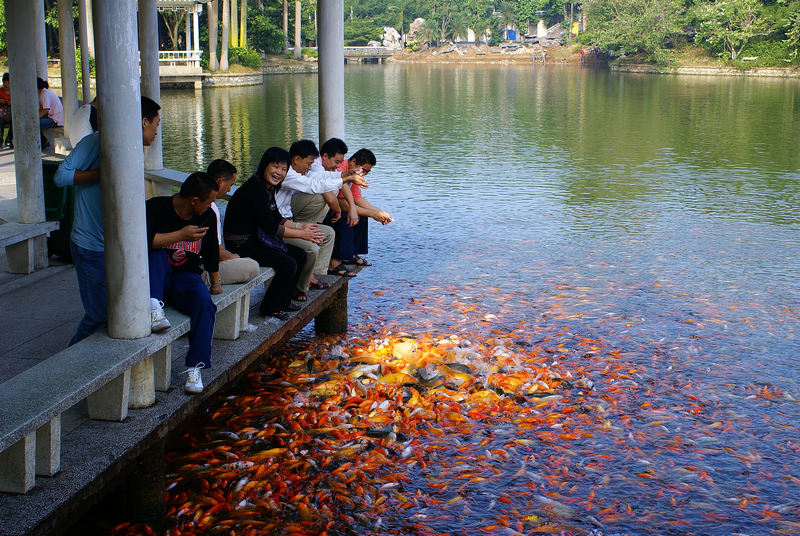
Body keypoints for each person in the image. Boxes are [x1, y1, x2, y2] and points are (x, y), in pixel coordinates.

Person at [55, 96, 167, 345]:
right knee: (99, 315)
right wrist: (102, 172)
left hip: (115, 246)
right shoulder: (96, 142)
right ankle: (70, 368)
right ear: (143, 121)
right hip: (90, 246)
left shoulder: (133, 150)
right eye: (156, 124)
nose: (157, 131)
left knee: (116, 310)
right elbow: (60, 177)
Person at [147, 172, 220, 394]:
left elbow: (210, 251)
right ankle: (153, 308)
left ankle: (194, 368)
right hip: (155, 274)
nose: (210, 207)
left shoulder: (207, 217)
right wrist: (180, 235)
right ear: (194, 200)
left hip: (185, 276)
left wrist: (215, 283)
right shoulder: (156, 208)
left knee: (205, 305)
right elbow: (143, 240)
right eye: (208, 202)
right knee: (156, 254)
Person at [223, 147, 309, 320]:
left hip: (255, 238)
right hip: (241, 243)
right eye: (275, 167)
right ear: (265, 165)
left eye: (284, 169)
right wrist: (301, 235)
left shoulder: (267, 187)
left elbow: (276, 216)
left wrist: (301, 228)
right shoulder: (256, 189)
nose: (279, 172)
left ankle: (284, 300)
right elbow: (270, 227)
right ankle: (270, 307)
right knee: (288, 264)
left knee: (300, 255)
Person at [279, 139, 367, 281]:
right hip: (282, 223)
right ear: (296, 159)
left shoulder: (299, 172)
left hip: (287, 220)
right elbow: (314, 185)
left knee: (329, 233)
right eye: (308, 164)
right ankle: (307, 280)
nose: (310, 167)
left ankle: (319, 275)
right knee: (312, 246)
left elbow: (319, 177)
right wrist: (346, 178)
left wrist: (347, 174)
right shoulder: (288, 174)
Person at [325, 149, 391, 270]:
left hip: (341, 204)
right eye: (364, 170)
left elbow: (357, 198)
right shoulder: (341, 169)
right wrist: (372, 214)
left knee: (362, 216)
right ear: (353, 162)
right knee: (347, 215)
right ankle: (335, 261)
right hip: (328, 207)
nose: (364, 174)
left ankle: (351, 254)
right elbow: (343, 203)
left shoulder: (356, 175)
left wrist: (379, 212)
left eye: (367, 172)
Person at [205, 159, 259, 285]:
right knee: (252, 266)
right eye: (230, 184)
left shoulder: (206, 204)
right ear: (220, 182)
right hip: (202, 266)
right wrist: (233, 257)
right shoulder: (210, 208)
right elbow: (215, 251)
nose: (229, 190)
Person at [37, 77, 63, 150]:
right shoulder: (44, 93)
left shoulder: (44, 93)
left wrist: (36, 117)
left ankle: (42, 142)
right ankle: (43, 141)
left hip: (56, 120)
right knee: (35, 122)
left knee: (34, 123)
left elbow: (46, 109)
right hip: (53, 117)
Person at [0, 73, 11, 148]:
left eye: (8, 83)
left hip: (10, 112)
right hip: (1, 111)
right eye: (4, 83)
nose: (6, 85)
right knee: (0, 118)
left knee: (16, 117)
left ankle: (9, 139)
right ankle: (0, 139)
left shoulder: (15, 92)